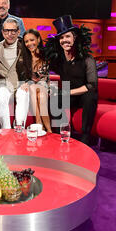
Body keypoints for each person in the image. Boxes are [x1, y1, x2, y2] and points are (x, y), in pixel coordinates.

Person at [45, 15, 98, 145]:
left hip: (84, 94)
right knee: (55, 98)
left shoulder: (87, 59)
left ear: (74, 37)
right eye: (61, 38)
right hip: (69, 94)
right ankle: (58, 135)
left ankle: (85, 137)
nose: (64, 40)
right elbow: (43, 71)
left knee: (90, 96)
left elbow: (92, 85)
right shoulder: (58, 60)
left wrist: (67, 92)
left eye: (67, 36)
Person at [0, 18, 30, 129]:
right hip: (3, 84)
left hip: (20, 83)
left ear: (18, 32)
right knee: (2, 95)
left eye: (13, 31)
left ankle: (19, 128)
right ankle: (6, 130)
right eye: (6, 31)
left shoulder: (25, 48)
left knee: (23, 94)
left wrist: (29, 82)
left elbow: (32, 67)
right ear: (2, 31)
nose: (10, 34)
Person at [16, 29, 52, 133]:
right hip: (31, 85)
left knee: (39, 92)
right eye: (26, 41)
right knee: (32, 87)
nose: (29, 44)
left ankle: (42, 125)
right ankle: (46, 128)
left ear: (38, 39)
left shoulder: (46, 54)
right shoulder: (23, 57)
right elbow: (24, 77)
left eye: (32, 40)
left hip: (44, 84)